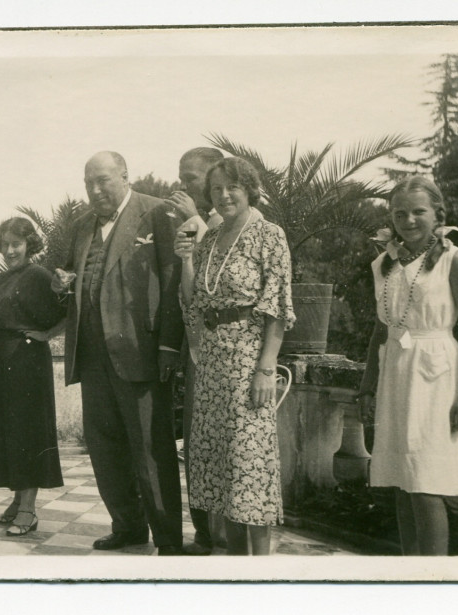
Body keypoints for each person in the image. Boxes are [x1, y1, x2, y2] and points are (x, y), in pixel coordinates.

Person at [53, 151, 185, 555]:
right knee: (105, 447)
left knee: (151, 449)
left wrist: (168, 345)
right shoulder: (82, 225)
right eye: (88, 183)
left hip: (140, 354)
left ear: (125, 177)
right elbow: (72, 277)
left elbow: (173, 280)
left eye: (103, 181)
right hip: (92, 355)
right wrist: (62, 283)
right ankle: (127, 526)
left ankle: (168, 540)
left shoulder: (157, 213)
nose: (95, 190)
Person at [357, 176, 458, 555]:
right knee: (403, 482)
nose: (409, 220)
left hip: (436, 376)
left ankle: (434, 578)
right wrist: (367, 386)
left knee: (426, 484)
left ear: (437, 213)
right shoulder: (383, 263)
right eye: (400, 214)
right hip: (396, 374)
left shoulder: (452, 260)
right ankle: (410, 572)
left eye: (418, 211)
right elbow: (380, 331)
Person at [174, 156, 295, 555]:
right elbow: (194, 301)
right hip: (212, 362)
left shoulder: (268, 235)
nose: (224, 195)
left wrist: (266, 369)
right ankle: (234, 563)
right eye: (216, 189)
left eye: (233, 188)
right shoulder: (211, 238)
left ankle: (259, 570)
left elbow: (277, 306)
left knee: (249, 468)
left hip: (248, 360)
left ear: (250, 190)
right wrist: (186, 259)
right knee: (222, 469)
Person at [0, 218, 67, 536]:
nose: (10, 250)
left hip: (29, 363)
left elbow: (70, 310)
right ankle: (16, 502)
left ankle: (28, 509)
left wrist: (47, 335)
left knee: (28, 434)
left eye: (17, 244)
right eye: (5, 244)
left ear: (29, 245)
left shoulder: (39, 275)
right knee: (10, 433)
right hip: (4, 363)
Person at [164, 146, 224, 555]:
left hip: (229, 354)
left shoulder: (231, 223)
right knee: (196, 444)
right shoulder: (192, 224)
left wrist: (196, 221)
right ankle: (204, 533)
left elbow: (218, 275)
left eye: (190, 178)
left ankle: (224, 535)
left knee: (221, 446)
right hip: (197, 352)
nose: (182, 184)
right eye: (181, 176)